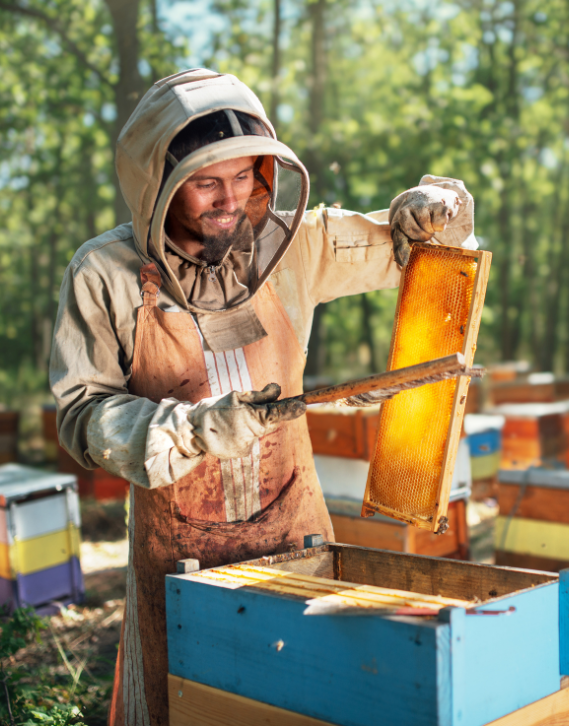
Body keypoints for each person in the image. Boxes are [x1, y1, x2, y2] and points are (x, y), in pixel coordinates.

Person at [49, 68, 475, 726]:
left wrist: (432, 209)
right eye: (206, 182)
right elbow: (82, 415)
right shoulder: (104, 274)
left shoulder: (296, 245)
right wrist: (183, 432)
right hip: (177, 560)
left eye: (244, 177)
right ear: (156, 184)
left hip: (296, 535)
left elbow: (413, 249)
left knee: (303, 702)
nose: (229, 199)